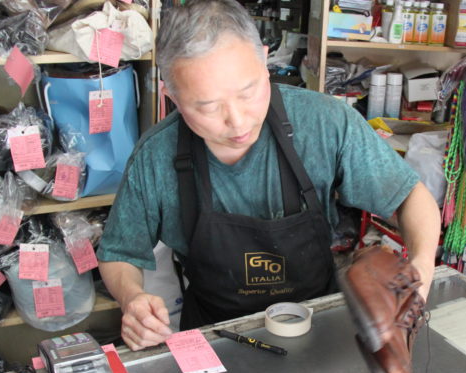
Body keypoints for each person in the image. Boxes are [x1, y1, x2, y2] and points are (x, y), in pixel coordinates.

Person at [97, 0, 441, 351]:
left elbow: (410, 197)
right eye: (207, 106)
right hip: (216, 337)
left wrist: (421, 270)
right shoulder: (156, 155)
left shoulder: (325, 123)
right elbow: (119, 252)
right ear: (172, 96)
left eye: (248, 93)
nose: (237, 120)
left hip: (320, 324)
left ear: (264, 60)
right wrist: (133, 298)